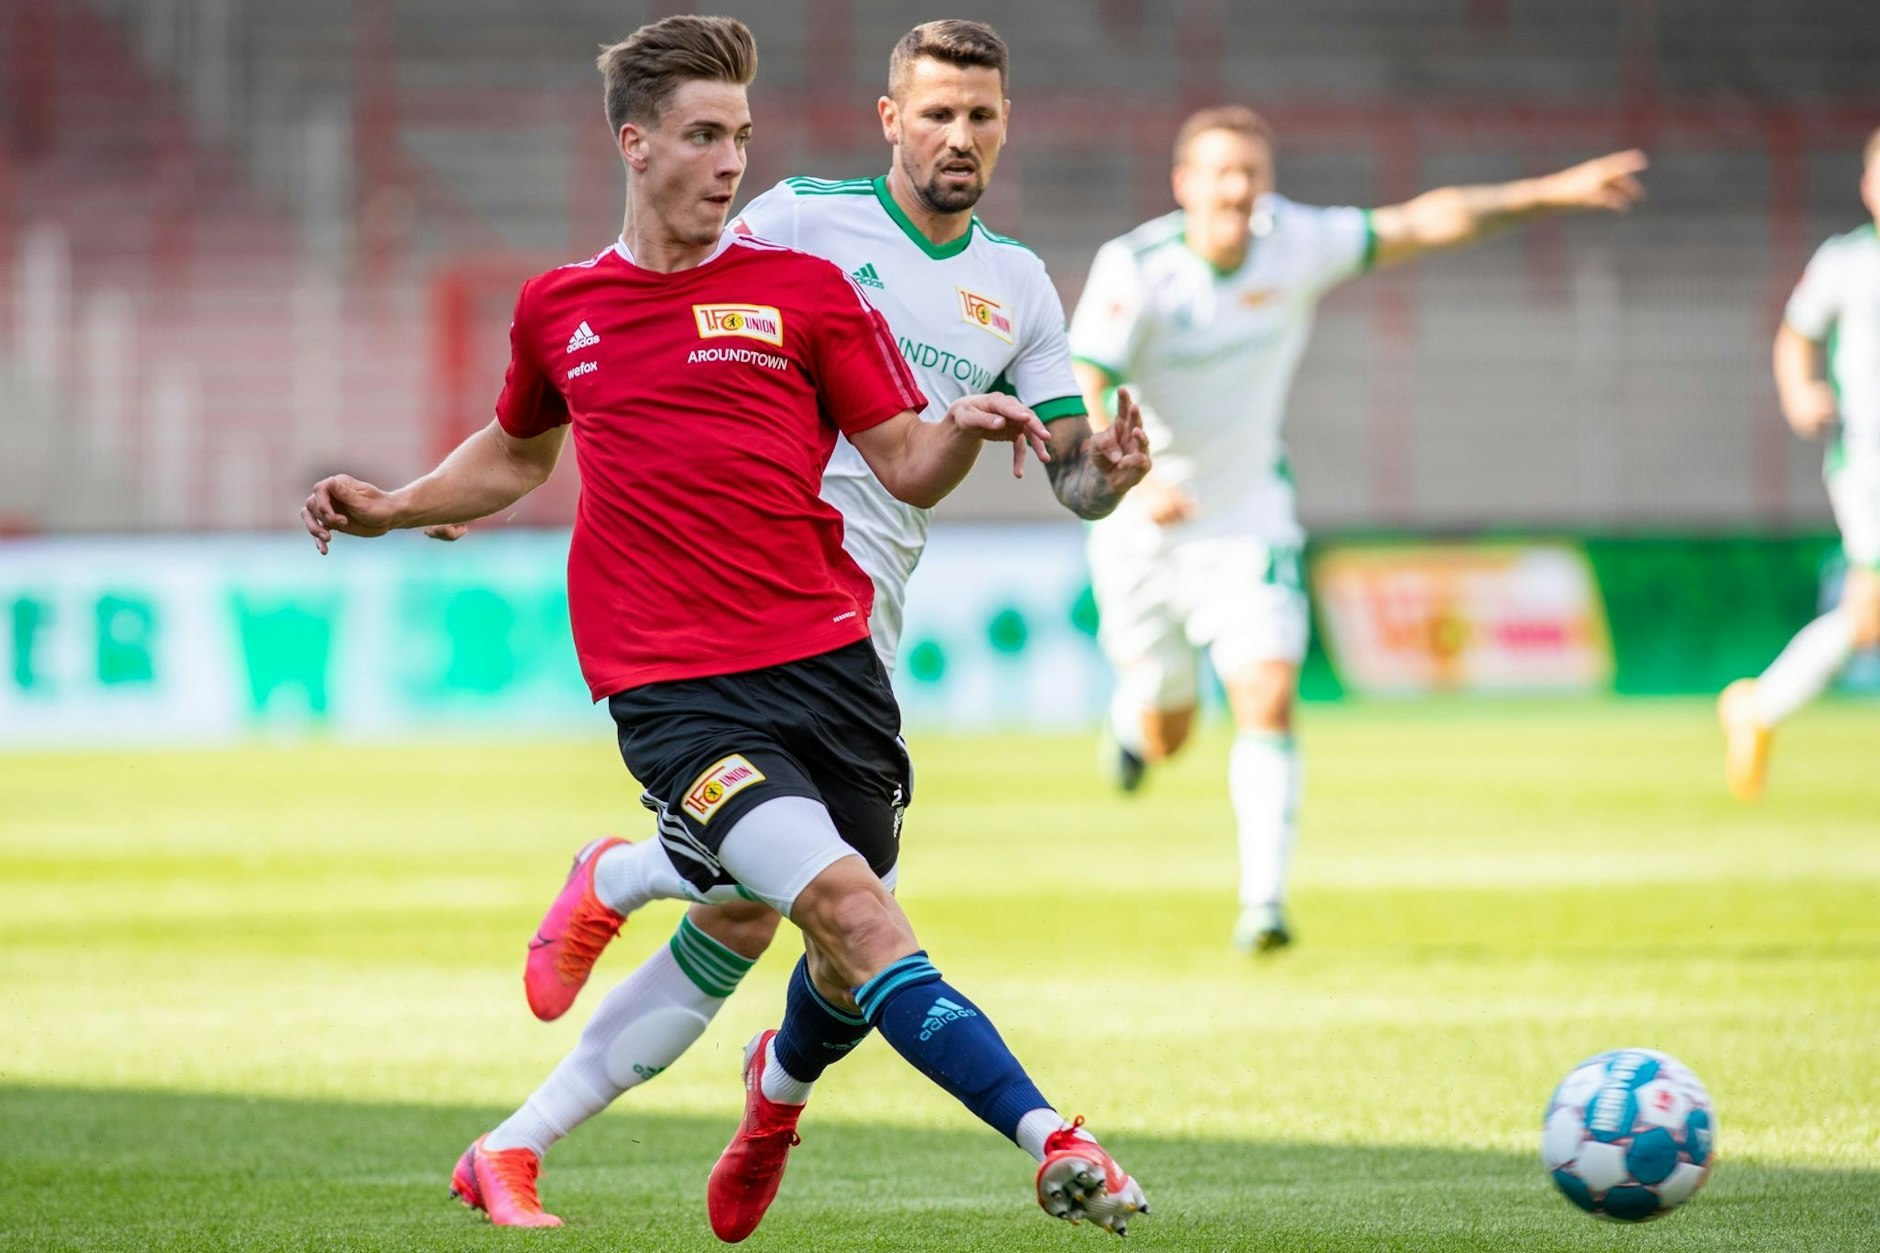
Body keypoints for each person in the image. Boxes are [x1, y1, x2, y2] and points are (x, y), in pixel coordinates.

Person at [299, 14, 1146, 1240]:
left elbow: (928, 461)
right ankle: (1055, 1138)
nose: (730, 161)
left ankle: (625, 1080)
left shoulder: (904, 289)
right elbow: (526, 442)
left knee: (825, 946)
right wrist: (396, 506)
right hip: (677, 682)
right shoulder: (678, 267)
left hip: (841, 641)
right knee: (850, 913)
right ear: (635, 145)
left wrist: (1040, 453)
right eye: (704, 134)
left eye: (739, 136)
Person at [1068, 106, 1648, 953]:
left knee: (1266, 690)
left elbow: (1424, 220)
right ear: (1183, 183)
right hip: (1143, 525)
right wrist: (1121, 469)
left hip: (1247, 520)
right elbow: (1087, 377)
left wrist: (1549, 193)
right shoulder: (1138, 268)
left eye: (1252, 172)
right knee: (1168, 731)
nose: (1238, 188)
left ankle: (1262, 904)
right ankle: (1132, 729)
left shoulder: (1295, 241)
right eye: (1221, 172)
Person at [1721, 126, 1880, 800]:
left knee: (1869, 618)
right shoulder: (1847, 261)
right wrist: (1798, 389)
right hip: (1871, 459)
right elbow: (1797, 334)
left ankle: (1759, 708)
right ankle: (1758, 709)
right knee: (1870, 614)